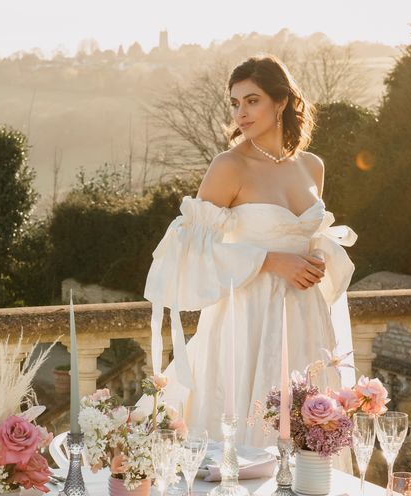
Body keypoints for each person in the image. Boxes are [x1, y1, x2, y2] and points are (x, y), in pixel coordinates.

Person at [144, 55, 357, 451]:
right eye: (235, 103)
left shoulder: (312, 166)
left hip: (305, 316)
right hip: (248, 315)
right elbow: (192, 249)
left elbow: (305, 235)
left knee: (307, 428)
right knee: (248, 420)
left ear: (281, 102)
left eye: (252, 100)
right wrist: (271, 260)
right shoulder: (229, 166)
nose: (241, 113)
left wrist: (317, 255)